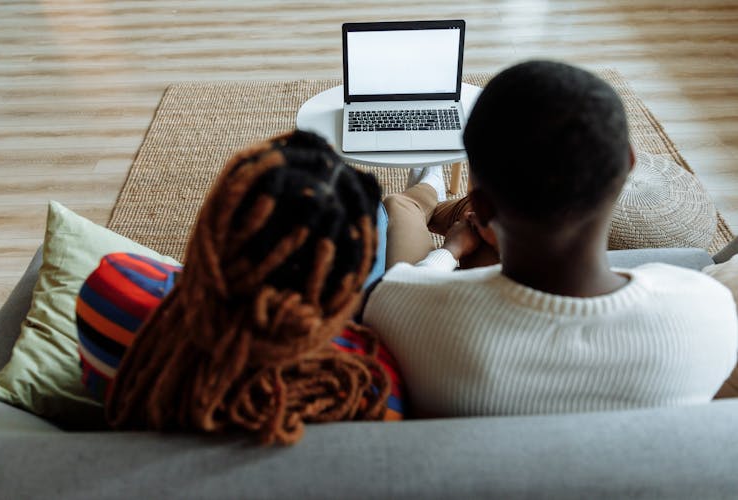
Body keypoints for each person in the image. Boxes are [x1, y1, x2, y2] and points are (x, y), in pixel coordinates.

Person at [362, 60, 738, 418]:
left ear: (482, 205)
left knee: (403, 208)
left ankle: (424, 196)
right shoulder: (710, 313)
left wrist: (449, 252)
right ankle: (430, 195)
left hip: (466, 261)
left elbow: (409, 284)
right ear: (628, 165)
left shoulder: (398, 309)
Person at [75, 130, 405, 445]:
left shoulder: (110, 290)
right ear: (344, 296)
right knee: (371, 214)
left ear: (209, 228)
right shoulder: (370, 390)